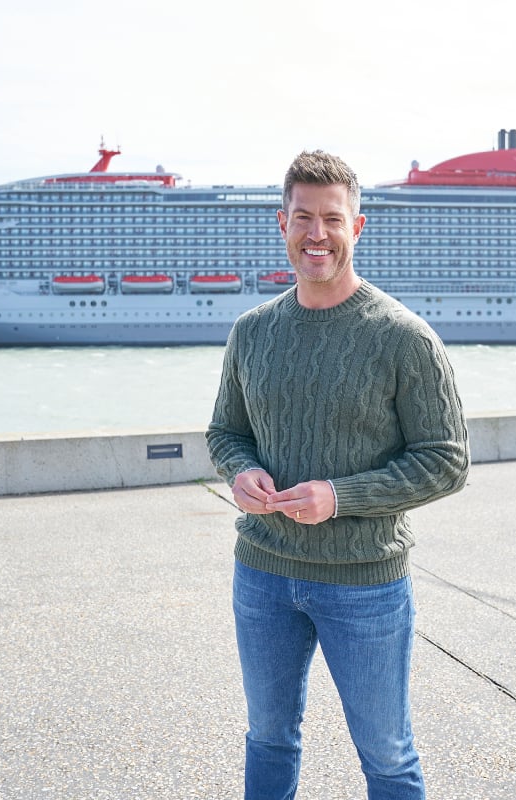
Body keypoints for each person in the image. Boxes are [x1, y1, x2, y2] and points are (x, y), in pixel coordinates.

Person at [206, 149, 470, 800]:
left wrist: (340, 497)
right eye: (303, 217)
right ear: (282, 223)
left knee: (385, 753)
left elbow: (447, 458)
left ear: (358, 226)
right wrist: (240, 473)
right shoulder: (252, 332)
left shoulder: (405, 338)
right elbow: (225, 433)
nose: (315, 233)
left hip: (364, 585)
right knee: (268, 738)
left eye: (331, 217)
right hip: (262, 575)